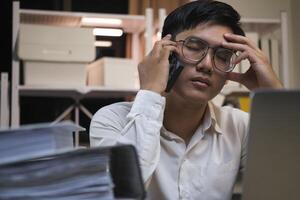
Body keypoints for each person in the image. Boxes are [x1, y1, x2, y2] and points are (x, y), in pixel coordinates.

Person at [90, 0, 282, 199]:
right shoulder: (111, 120)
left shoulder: (239, 127)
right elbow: (120, 192)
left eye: (223, 56)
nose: (207, 65)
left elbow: (285, 182)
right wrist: (151, 91)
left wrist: (274, 97)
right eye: (194, 46)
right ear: (166, 52)